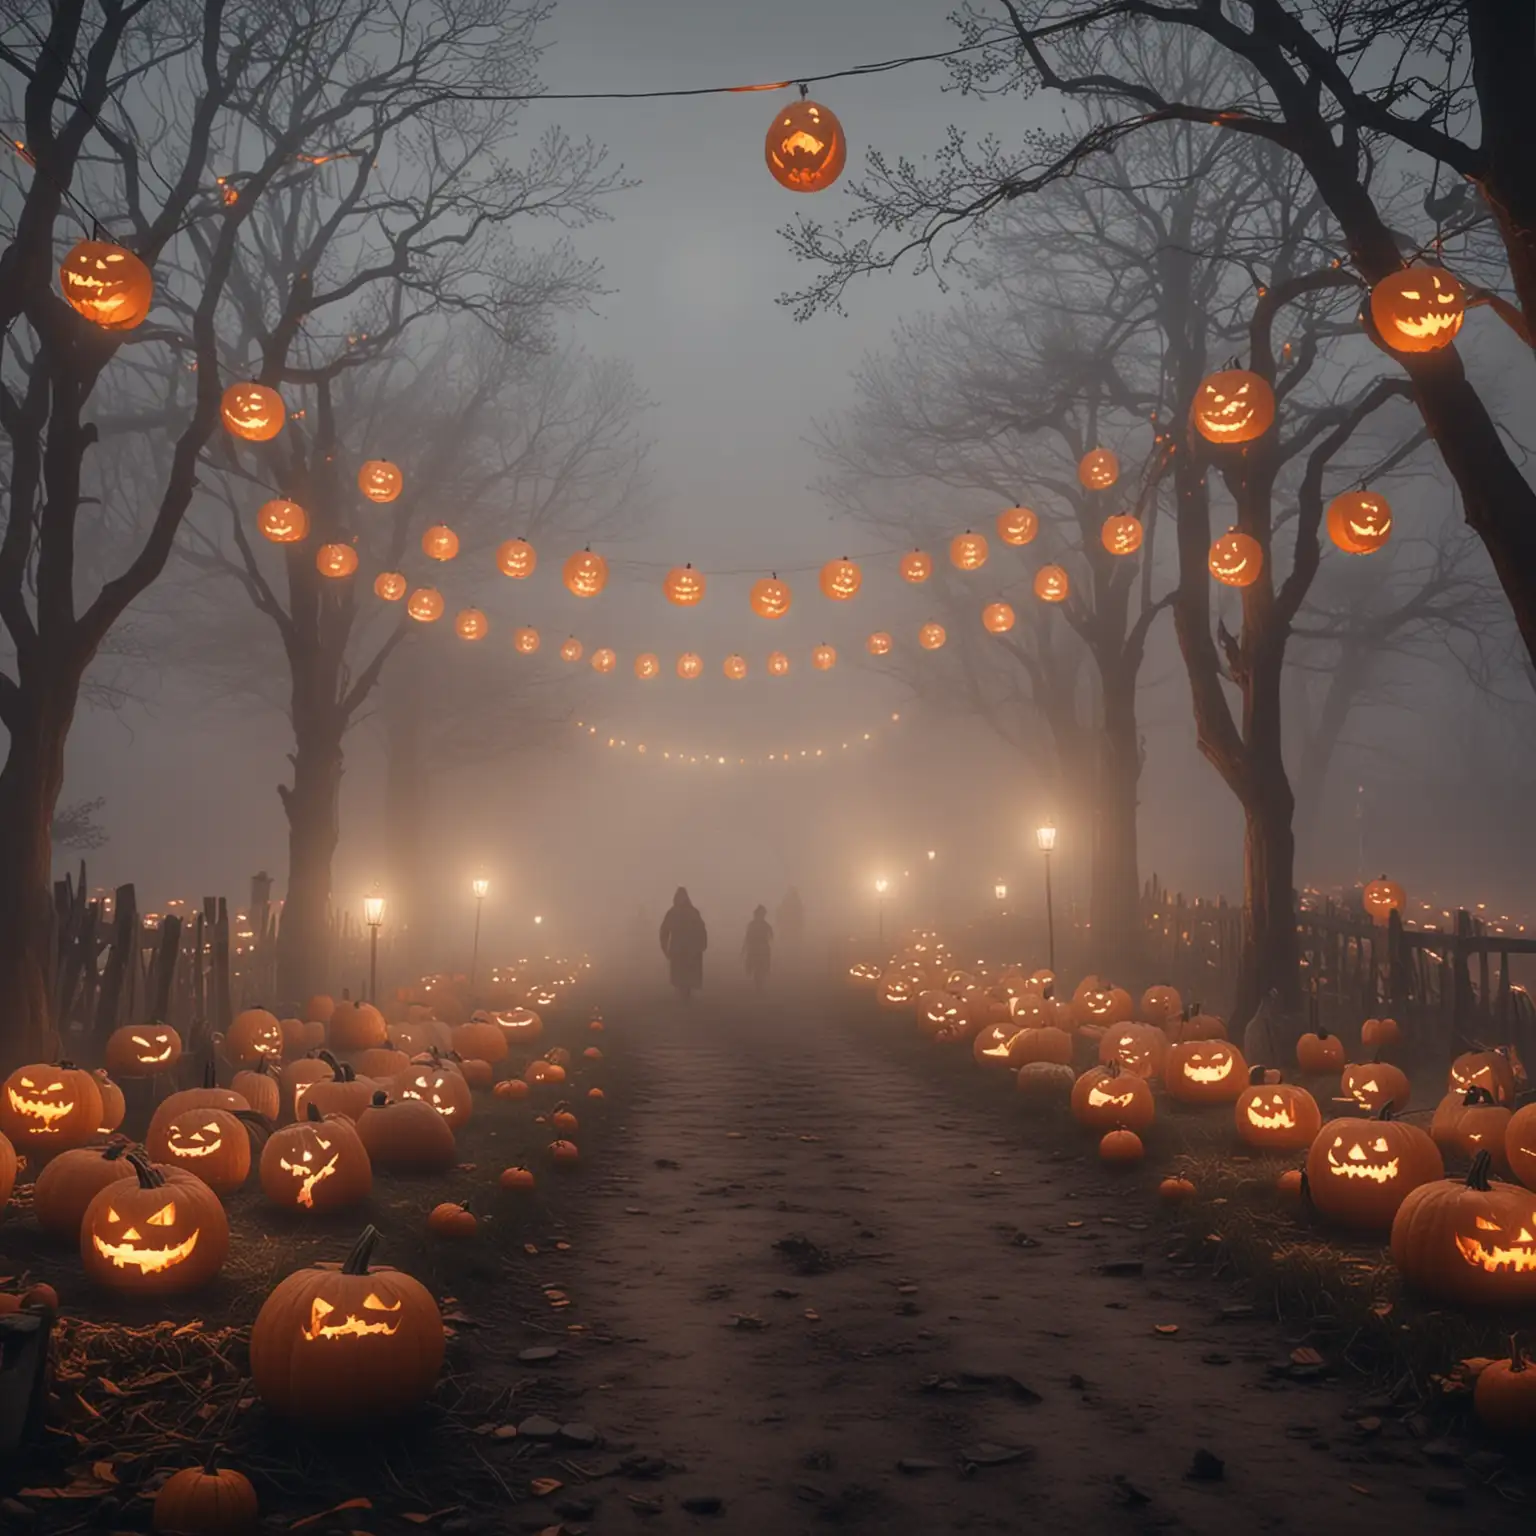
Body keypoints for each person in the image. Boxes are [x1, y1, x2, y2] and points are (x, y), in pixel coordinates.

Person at [659, 887, 707, 1000]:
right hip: (678, 950)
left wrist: (702, 944)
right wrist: (664, 947)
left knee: (687, 974)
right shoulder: (673, 913)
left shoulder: (692, 912)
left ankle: (685, 994)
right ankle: (683, 994)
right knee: (680, 975)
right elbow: (664, 931)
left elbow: (701, 930)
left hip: (690, 950)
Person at [742, 904, 773, 991]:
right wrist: (744, 949)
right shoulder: (754, 925)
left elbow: (771, 937)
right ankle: (759, 986)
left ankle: (760, 986)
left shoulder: (764, 925)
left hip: (762, 949)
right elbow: (747, 937)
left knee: (761, 968)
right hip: (755, 949)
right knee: (757, 968)